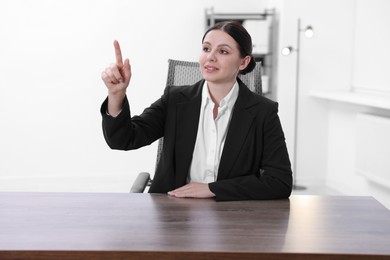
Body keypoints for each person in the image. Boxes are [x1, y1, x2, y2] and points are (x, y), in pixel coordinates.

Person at [100, 21, 292, 201]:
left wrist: (212, 188)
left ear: (243, 62)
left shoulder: (263, 112)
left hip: (231, 216)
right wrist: (116, 94)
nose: (210, 57)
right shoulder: (175, 100)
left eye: (223, 51)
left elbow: (280, 182)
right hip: (173, 214)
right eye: (206, 49)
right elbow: (123, 139)